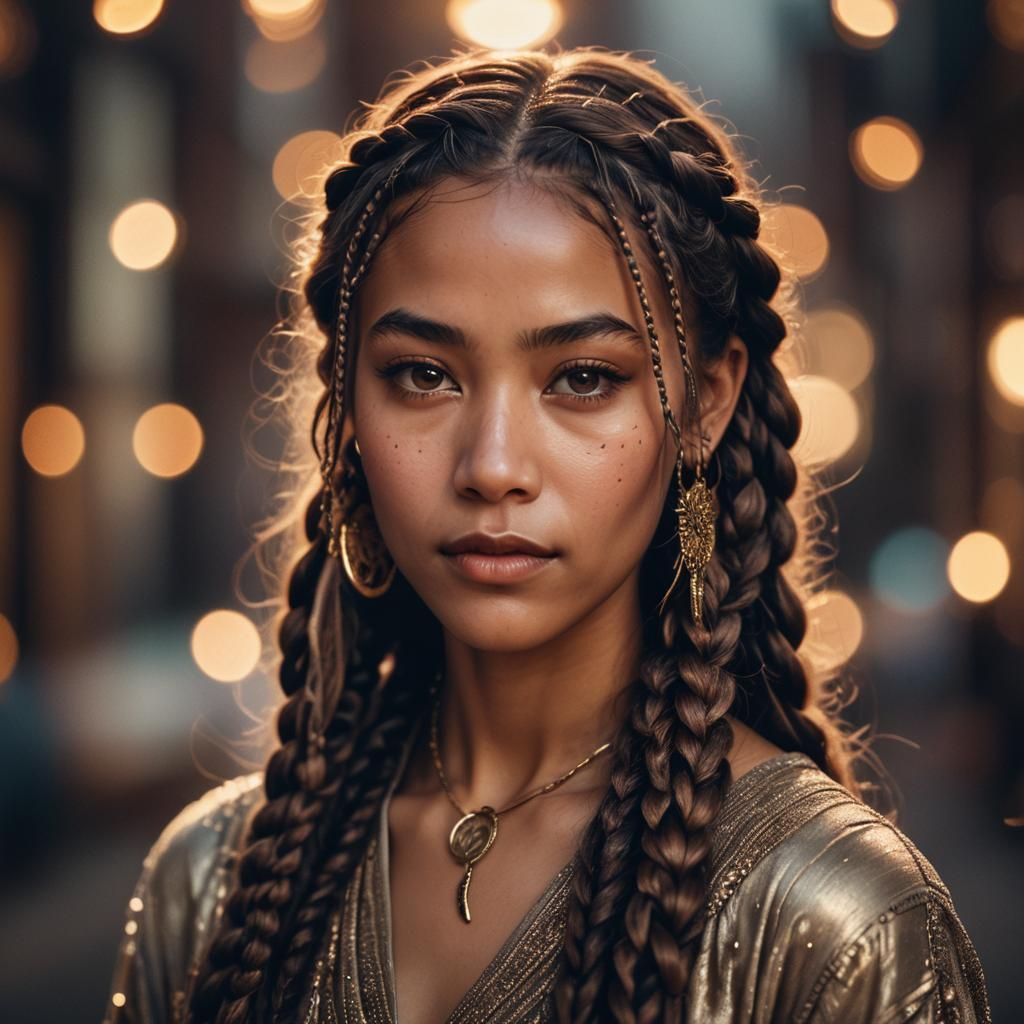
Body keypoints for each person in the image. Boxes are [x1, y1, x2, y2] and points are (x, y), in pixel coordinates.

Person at [103, 45, 992, 1024]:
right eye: (422, 374)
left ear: (702, 401)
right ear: (348, 407)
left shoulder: (834, 926)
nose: (490, 464)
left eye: (581, 378)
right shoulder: (213, 887)